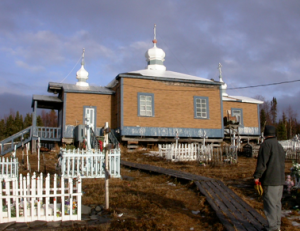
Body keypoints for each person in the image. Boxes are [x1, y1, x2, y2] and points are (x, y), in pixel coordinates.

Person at [253, 125, 285, 231]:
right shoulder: (279, 145)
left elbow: (262, 163)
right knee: (276, 204)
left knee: (270, 205)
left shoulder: (266, 145)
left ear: (265, 134)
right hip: (280, 180)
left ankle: (272, 228)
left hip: (270, 180)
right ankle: (277, 226)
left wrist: (257, 177)